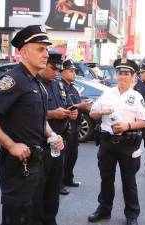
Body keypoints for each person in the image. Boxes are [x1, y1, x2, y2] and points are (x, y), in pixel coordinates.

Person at [0, 25, 64, 225]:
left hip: (36, 163)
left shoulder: (36, 82)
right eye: (40, 49)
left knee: (35, 216)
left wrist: (51, 135)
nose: (46, 54)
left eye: (46, 49)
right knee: (18, 219)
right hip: (18, 168)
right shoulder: (14, 79)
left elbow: (39, 119)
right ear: (23, 52)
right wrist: (10, 145)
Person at [88, 58, 145, 225]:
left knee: (129, 182)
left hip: (127, 144)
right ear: (116, 76)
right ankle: (104, 210)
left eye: (126, 74)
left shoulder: (136, 97)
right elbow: (92, 113)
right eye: (120, 73)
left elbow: (144, 121)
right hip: (107, 143)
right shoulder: (107, 93)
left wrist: (127, 125)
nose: (123, 76)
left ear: (132, 77)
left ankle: (132, 215)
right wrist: (101, 111)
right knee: (106, 179)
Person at [37, 52, 77, 223]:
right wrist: (52, 114)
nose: (56, 72)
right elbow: (29, 115)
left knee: (53, 192)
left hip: (59, 144)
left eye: (58, 69)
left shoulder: (57, 85)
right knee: (38, 191)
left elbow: (67, 104)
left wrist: (71, 112)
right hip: (41, 145)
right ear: (44, 64)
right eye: (53, 68)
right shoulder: (35, 85)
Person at [60, 59, 91, 188]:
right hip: (65, 127)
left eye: (74, 71)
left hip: (74, 127)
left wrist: (85, 106)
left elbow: (76, 105)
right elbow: (64, 106)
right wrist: (81, 105)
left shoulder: (72, 87)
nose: (74, 74)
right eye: (71, 71)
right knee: (63, 157)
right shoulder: (59, 86)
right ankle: (59, 184)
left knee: (73, 155)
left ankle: (68, 179)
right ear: (62, 72)